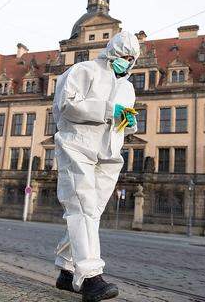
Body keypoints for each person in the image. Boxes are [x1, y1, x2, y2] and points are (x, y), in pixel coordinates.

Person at [52, 31, 140, 301]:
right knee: (82, 207)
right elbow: (66, 105)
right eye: (124, 56)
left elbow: (121, 119)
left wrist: (128, 122)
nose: (127, 61)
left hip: (110, 154)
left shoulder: (127, 87)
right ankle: (91, 278)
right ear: (112, 51)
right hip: (77, 145)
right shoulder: (83, 70)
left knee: (92, 212)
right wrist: (106, 109)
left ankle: (67, 270)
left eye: (131, 58)